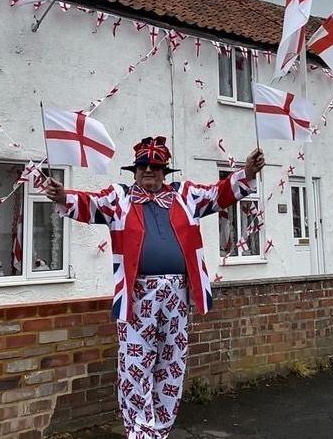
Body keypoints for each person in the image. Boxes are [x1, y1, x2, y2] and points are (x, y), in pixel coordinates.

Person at [45, 136, 264, 439]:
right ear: (134, 171)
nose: (150, 170)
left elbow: (220, 193)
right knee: (135, 364)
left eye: (156, 166)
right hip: (137, 295)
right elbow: (88, 203)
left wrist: (248, 173)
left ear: (165, 172)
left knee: (171, 363)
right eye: (143, 166)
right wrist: (60, 195)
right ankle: (138, 430)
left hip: (177, 293)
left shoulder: (185, 196)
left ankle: (160, 429)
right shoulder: (119, 199)